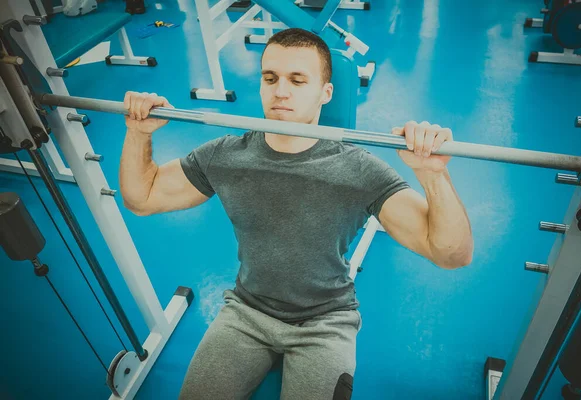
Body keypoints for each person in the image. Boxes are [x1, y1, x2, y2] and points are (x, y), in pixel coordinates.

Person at [119, 28, 473, 400]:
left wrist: (433, 174)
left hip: (325, 323)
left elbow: (451, 253)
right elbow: (142, 198)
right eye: (270, 78)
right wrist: (138, 133)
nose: (280, 91)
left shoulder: (359, 171)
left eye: (297, 80)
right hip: (247, 312)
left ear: (326, 93)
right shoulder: (225, 155)